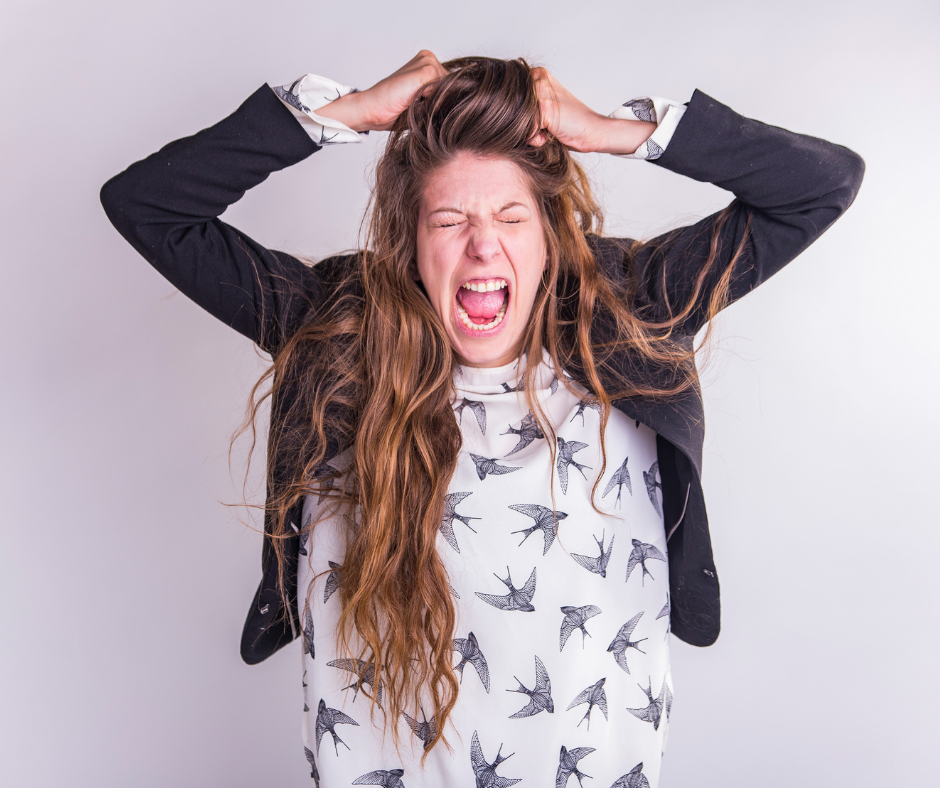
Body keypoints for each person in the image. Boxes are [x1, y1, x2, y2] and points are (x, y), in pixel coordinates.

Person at [100, 51, 864, 786]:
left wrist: (609, 129)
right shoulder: (338, 331)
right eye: (447, 221)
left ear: (550, 237)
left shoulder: (632, 308)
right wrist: (347, 115)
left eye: (510, 216)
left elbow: (821, 185)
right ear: (411, 243)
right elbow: (149, 205)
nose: (482, 245)